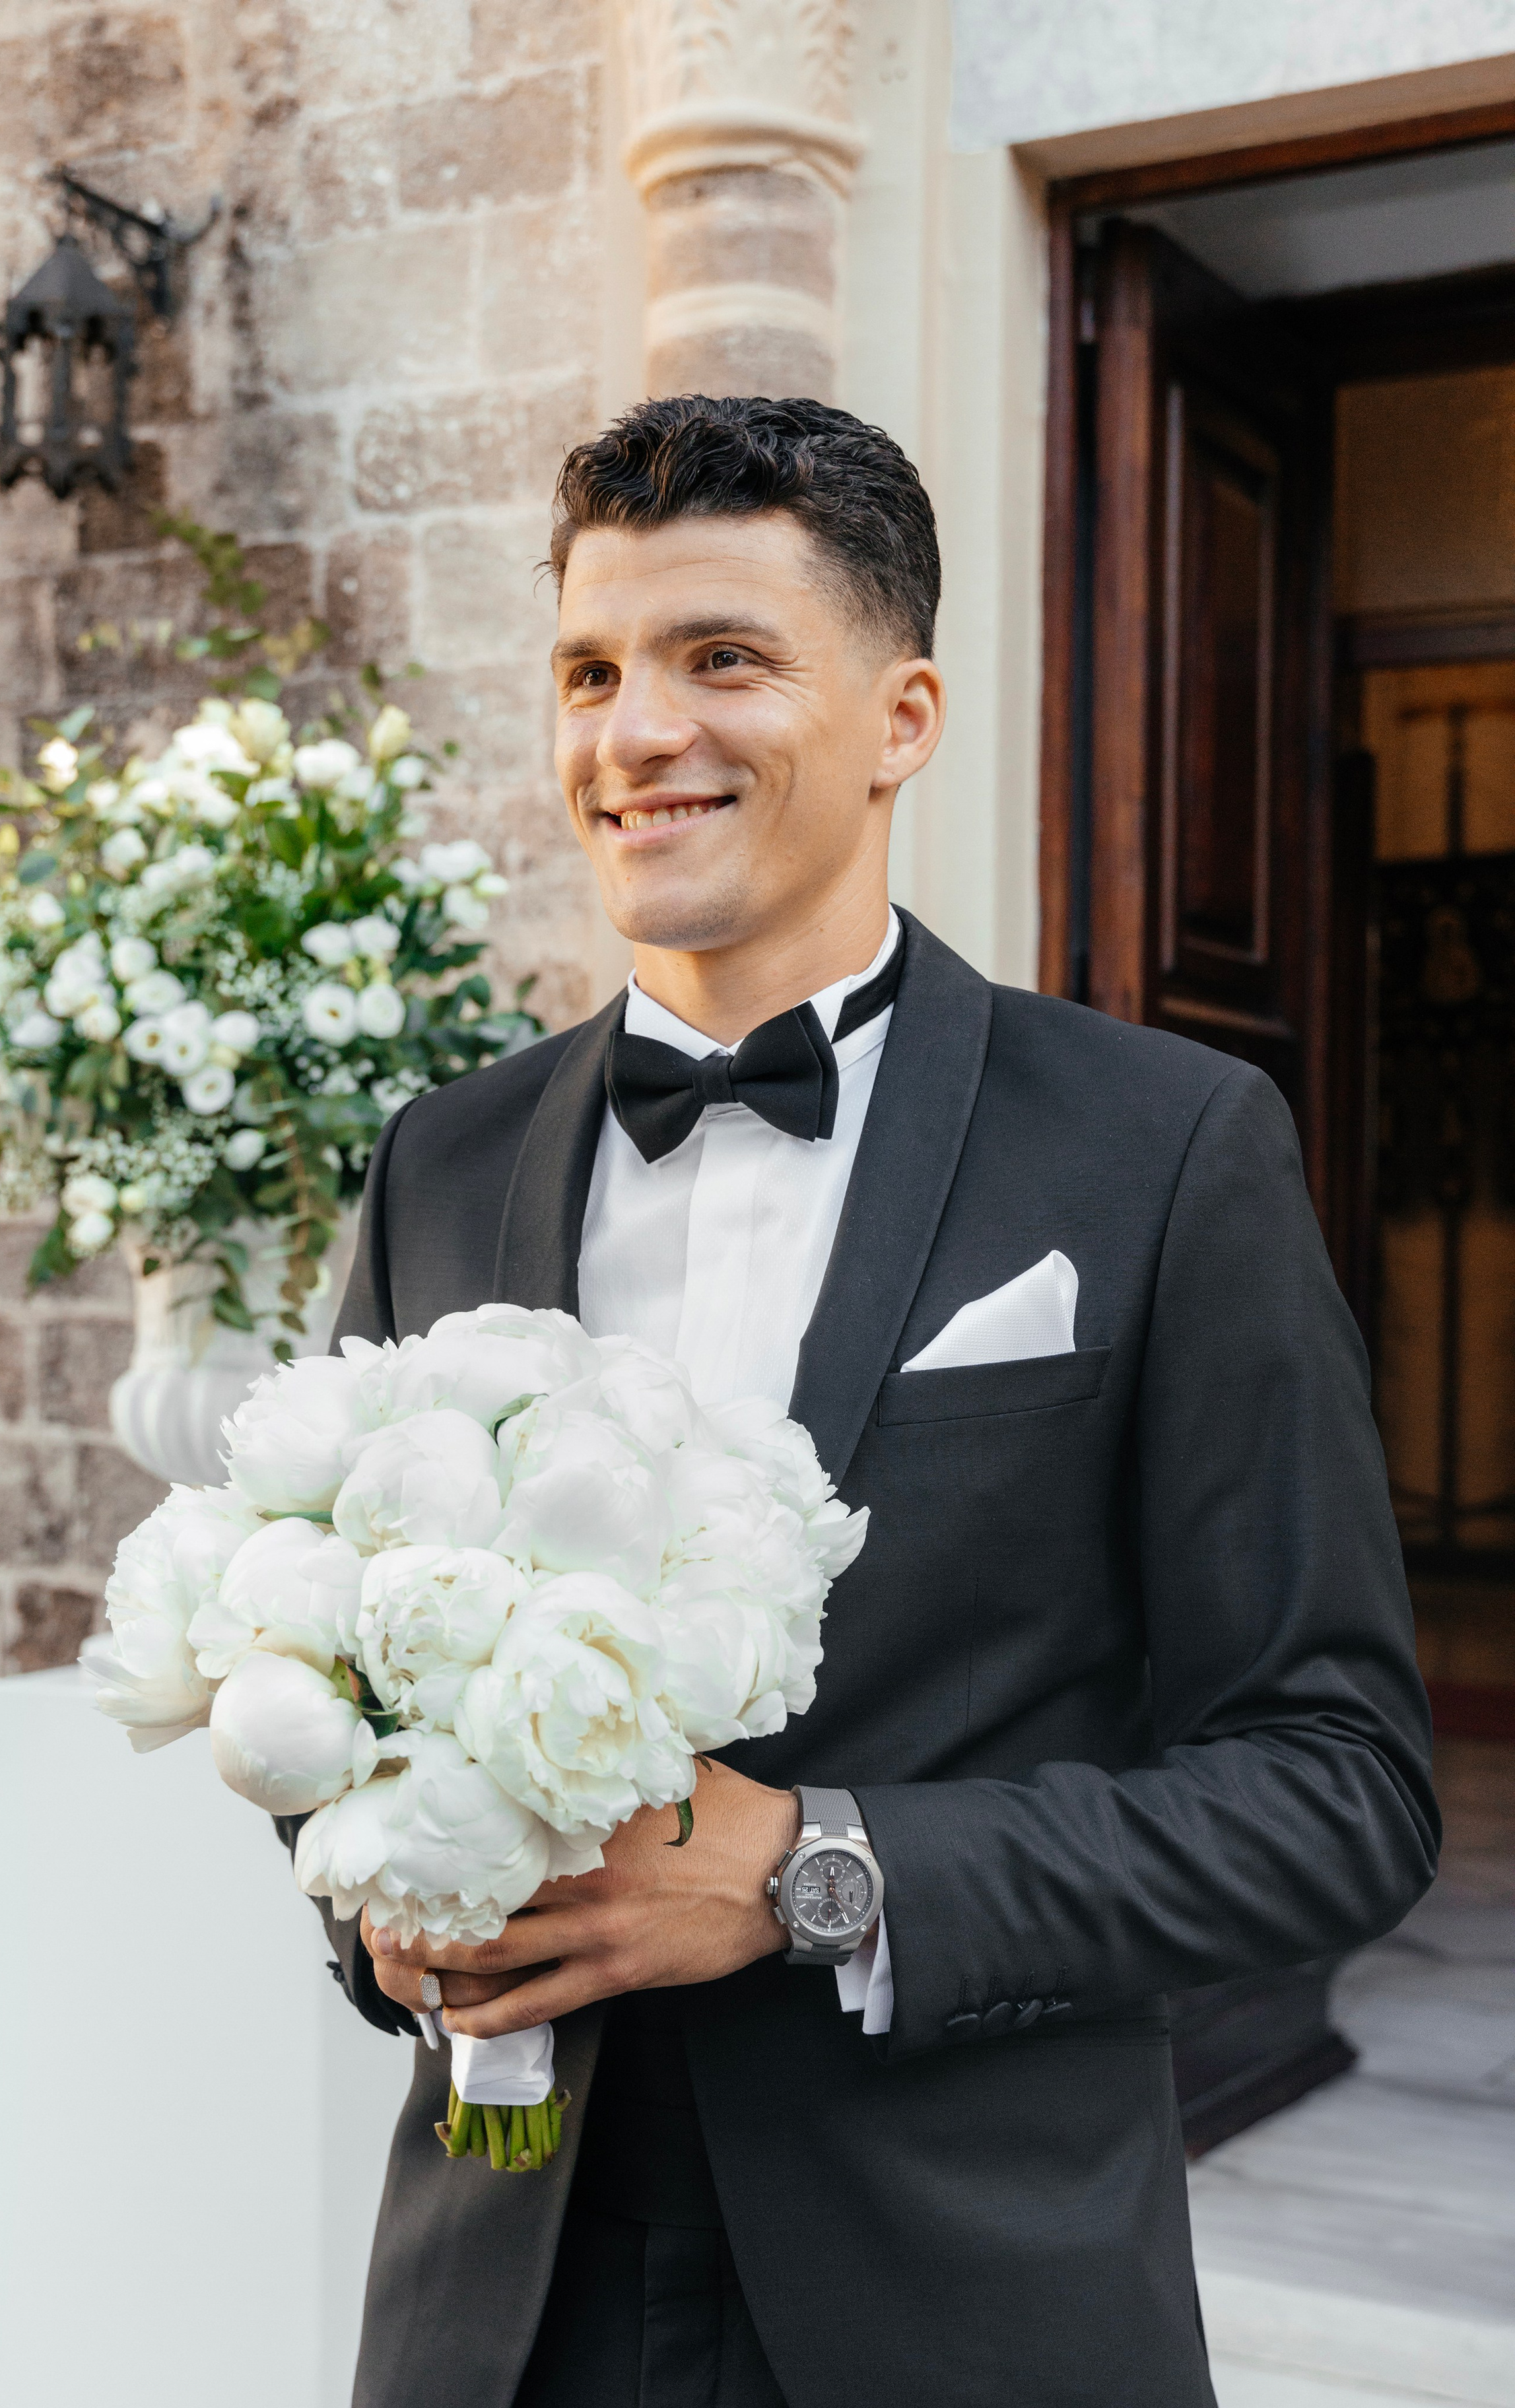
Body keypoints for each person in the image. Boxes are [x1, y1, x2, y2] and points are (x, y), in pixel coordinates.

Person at [304, 395, 1438, 2407]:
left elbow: (1338, 1791)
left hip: (967, 2298)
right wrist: (381, 1895)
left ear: (904, 717)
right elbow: (329, 1665)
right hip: (505, 2301)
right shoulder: (439, 1161)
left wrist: (821, 1872)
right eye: (591, 671)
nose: (633, 734)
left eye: (721, 658)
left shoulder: (1168, 1149)